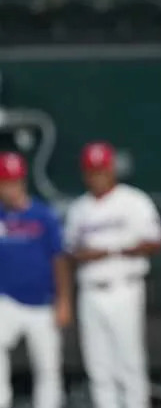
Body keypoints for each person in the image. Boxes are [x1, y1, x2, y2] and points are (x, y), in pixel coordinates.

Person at [65, 141, 161, 408]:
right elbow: (69, 250)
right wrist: (83, 254)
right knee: (98, 367)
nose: (96, 176)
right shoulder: (79, 209)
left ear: (111, 169)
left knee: (129, 364)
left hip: (124, 287)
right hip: (90, 291)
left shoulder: (133, 200)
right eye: (91, 170)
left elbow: (155, 241)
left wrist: (111, 249)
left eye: (101, 169)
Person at [0, 152, 71, 408]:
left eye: (14, 181)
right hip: (6, 300)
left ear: (23, 181)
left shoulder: (43, 215)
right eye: (5, 182)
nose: (10, 188)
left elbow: (59, 259)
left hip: (42, 303)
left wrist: (64, 300)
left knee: (48, 367)